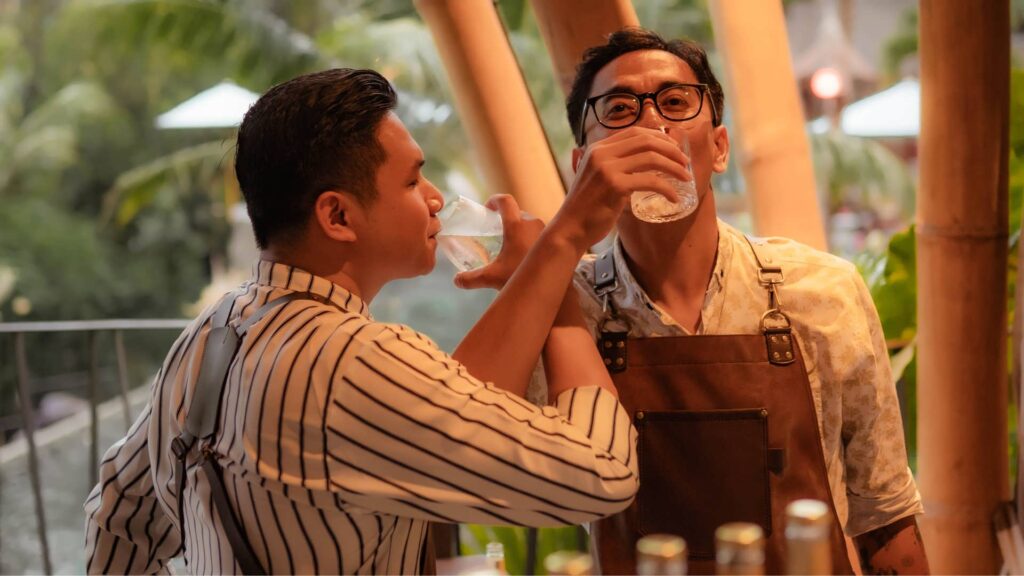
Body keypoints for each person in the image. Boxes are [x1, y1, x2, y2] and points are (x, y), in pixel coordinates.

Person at [83, 67, 684, 574]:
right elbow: (601, 476)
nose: (432, 198)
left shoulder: (218, 326)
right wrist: (566, 249)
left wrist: (544, 267)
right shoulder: (353, 360)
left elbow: (122, 510)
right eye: (412, 178)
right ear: (338, 215)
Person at [527, 27, 925, 575]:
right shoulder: (560, 307)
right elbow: (477, 455)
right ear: (582, 165)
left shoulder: (821, 290)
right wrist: (546, 257)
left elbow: (885, 516)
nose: (651, 124)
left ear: (719, 148)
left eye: (673, 102)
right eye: (619, 108)